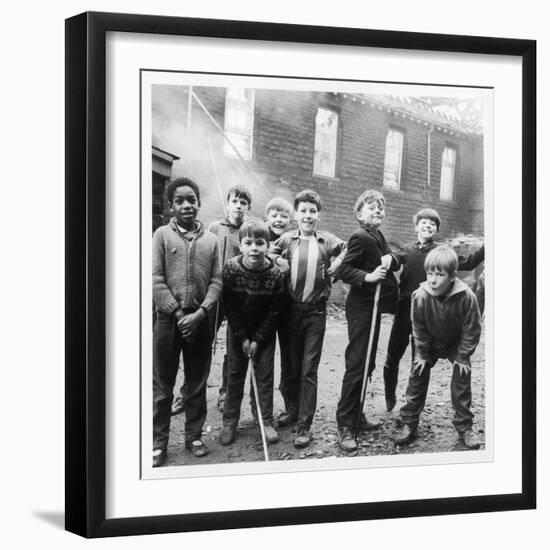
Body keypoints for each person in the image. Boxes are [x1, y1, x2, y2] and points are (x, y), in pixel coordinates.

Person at [383, 208, 485, 412]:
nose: (428, 225)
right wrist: (388, 260)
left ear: (436, 230)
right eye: (423, 222)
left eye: (432, 223)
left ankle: (411, 403)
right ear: (416, 227)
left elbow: (469, 262)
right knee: (393, 354)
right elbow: (394, 261)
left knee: (419, 357)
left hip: (428, 310)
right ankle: (389, 395)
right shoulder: (407, 248)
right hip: (405, 308)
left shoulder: (441, 253)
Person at [152, 177, 222, 467]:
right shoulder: (161, 236)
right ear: (171, 206)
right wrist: (178, 312)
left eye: (191, 199)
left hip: (201, 321)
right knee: (163, 385)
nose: (186, 205)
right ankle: (158, 442)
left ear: (199, 203)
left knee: (196, 383)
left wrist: (202, 312)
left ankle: (194, 436)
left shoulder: (211, 240)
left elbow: (217, 281)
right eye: (179, 201)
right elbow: (154, 279)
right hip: (169, 322)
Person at [270, 189, 346, 448]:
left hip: (315, 312)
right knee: (291, 367)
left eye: (312, 211)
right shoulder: (286, 239)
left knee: (308, 370)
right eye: (303, 210)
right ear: (295, 214)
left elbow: (349, 249)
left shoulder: (326, 240)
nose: (307, 215)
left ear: (318, 215)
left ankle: (304, 425)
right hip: (290, 311)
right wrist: (278, 259)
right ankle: (292, 410)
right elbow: (267, 252)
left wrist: (338, 264)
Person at [170, 184, 252, 416]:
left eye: (243, 203)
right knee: (201, 343)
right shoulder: (215, 227)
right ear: (227, 204)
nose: (238, 206)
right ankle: (188, 392)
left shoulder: (249, 229)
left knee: (234, 346)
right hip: (213, 293)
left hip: (238, 296)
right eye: (235, 201)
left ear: (248, 207)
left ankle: (226, 393)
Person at [394, 246, 483, 449]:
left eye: (440, 274)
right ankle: (409, 422)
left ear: (452, 276)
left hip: (455, 343)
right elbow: (418, 327)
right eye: (429, 273)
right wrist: (423, 353)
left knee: (462, 377)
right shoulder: (420, 295)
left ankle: (464, 426)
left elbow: (473, 328)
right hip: (430, 343)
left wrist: (463, 356)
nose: (432, 280)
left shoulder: (467, 296)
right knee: (417, 375)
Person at [335, 189, 400, 453]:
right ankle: (345, 424)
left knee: (368, 362)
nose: (378, 211)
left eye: (381, 208)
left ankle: (358, 413)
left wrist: (391, 258)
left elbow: (392, 260)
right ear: (359, 213)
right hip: (361, 309)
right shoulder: (359, 236)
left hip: (374, 309)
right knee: (357, 364)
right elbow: (343, 270)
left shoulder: (378, 235)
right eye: (372, 207)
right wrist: (368, 277)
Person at [219, 219, 285, 446]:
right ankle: (230, 421)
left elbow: (275, 312)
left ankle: (264, 420)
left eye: (260, 243)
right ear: (241, 245)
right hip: (238, 331)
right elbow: (231, 308)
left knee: (264, 377)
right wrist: (243, 338)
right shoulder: (230, 269)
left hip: (264, 334)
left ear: (268, 245)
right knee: (235, 375)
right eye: (248, 243)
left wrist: (258, 339)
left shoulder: (275, 275)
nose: (254, 248)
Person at [263, 197, 294, 422]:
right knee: (261, 359)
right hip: (262, 309)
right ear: (267, 218)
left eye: (284, 216)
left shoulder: (293, 241)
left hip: (286, 308)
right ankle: (260, 411)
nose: (279, 220)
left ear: (290, 219)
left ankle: (290, 406)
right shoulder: (258, 238)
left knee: (288, 358)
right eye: (274, 215)